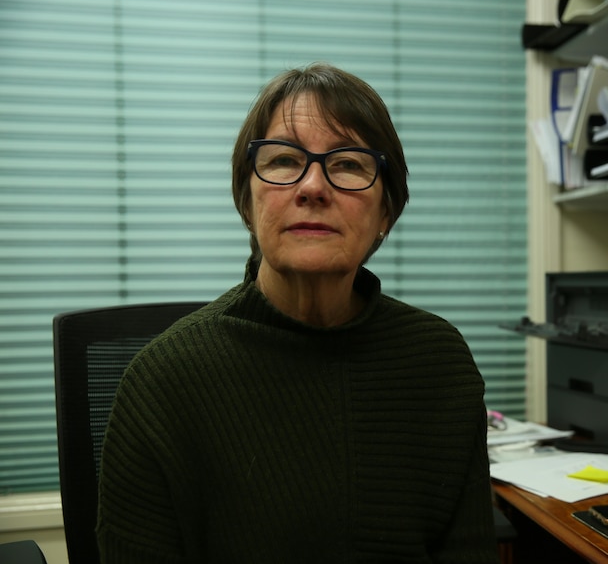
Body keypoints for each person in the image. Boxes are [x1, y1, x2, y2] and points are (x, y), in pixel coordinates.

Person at [96, 63, 499, 563]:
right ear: (247, 200)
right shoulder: (163, 382)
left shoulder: (440, 364)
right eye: (285, 160)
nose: (313, 186)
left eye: (349, 164)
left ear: (386, 212)